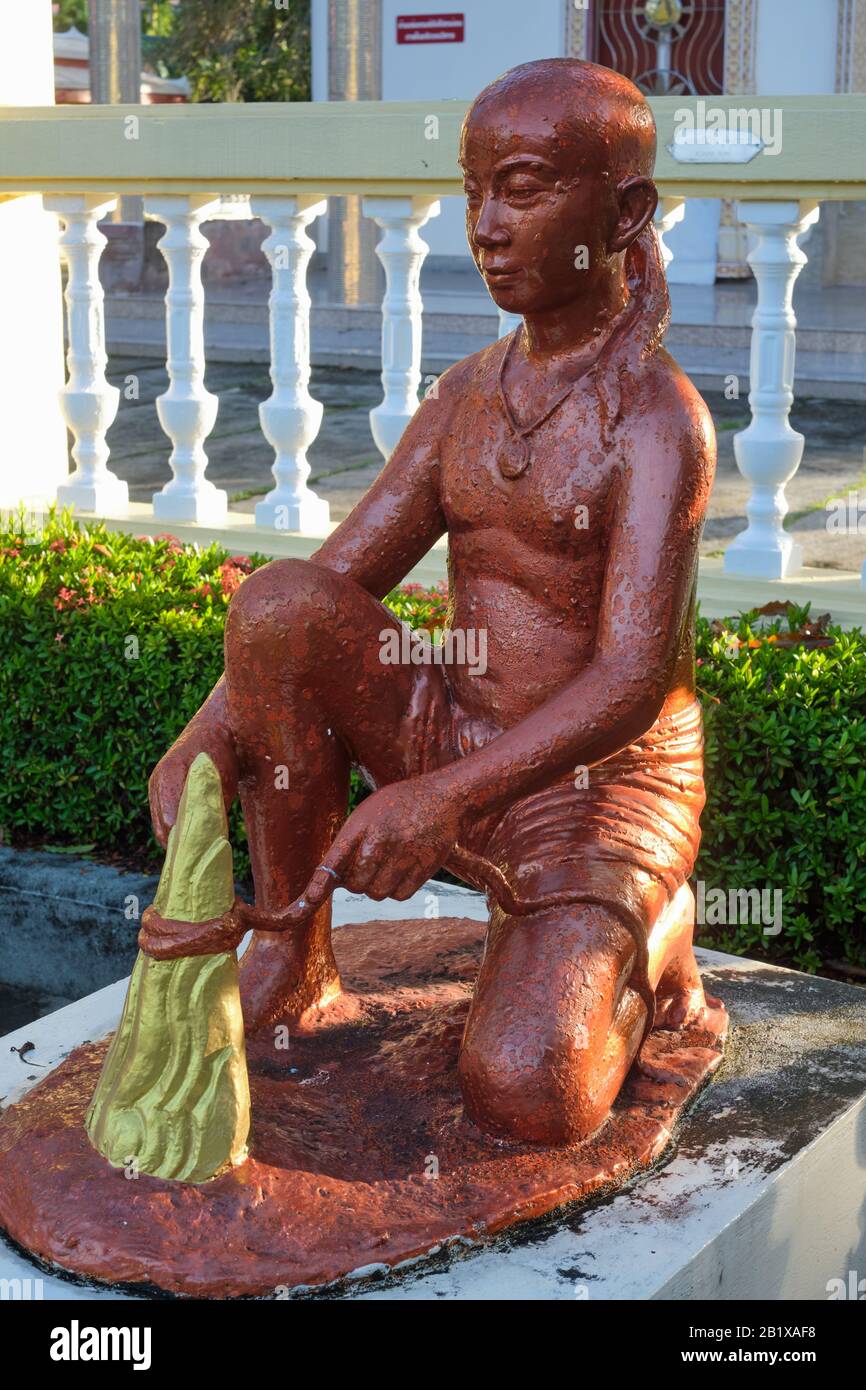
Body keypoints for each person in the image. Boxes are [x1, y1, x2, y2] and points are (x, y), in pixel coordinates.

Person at [148, 59, 717, 1146]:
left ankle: (649, 935)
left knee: (527, 1091)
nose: (486, 227)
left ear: (624, 210)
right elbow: (332, 581)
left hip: (592, 782)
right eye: (473, 193)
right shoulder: (465, 397)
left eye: (523, 187)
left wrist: (444, 799)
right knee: (277, 606)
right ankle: (294, 956)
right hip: (454, 731)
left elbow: (631, 677)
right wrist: (201, 735)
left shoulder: (656, 420)